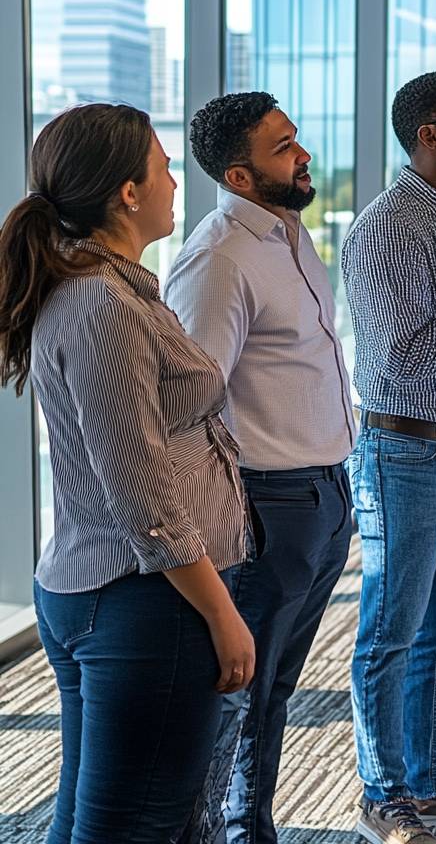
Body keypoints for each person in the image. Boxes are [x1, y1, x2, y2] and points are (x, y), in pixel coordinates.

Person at [0, 104, 253, 844]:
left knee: (94, 818)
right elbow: (139, 493)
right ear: (128, 193)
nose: (177, 180)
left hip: (118, 594)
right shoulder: (102, 303)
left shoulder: (109, 287)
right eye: (164, 166)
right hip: (143, 602)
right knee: (134, 824)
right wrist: (219, 614)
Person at [165, 92, 356, 844]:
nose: (301, 153)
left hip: (324, 495)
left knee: (274, 691)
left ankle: (253, 827)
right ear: (240, 177)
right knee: (237, 696)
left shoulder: (287, 234)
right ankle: (219, 833)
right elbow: (187, 401)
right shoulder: (219, 259)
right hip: (266, 505)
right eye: (283, 148)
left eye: (295, 137)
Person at [340, 71, 436, 844]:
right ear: (430, 134)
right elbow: (402, 360)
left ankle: (432, 783)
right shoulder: (388, 227)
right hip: (403, 452)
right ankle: (382, 794)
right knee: (390, 634)